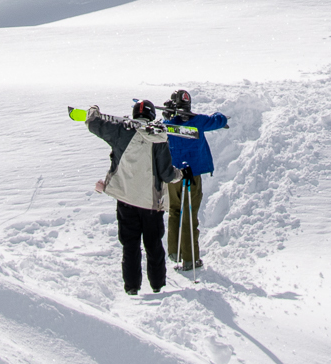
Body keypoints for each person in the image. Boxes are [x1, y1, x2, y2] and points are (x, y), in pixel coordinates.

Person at [82, 101, 176, 294]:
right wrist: (180, 174)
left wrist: (94, 111)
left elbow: (93, 124)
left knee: (130, 246)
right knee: (154, 245)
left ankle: (132, 287)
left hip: (125, 200)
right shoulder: (159, 138)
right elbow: (167, 174)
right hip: (151, 203)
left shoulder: (120, 131)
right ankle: (158, 286)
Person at [161, 89, 229, 270]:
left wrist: (167, 117)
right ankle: (190, 258)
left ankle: (175, 252)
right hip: (193, 174)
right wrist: (219, 114)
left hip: (173, 175)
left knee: (175, 211)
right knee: (189, 215)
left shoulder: (167, 123)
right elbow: (218, 120)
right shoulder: (198, 121)